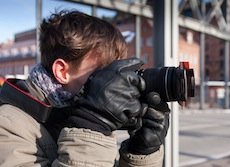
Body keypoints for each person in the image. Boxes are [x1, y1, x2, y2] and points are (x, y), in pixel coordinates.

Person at [0, 10, 170, 167]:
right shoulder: (7, 125)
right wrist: (92, 124)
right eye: (104, 72)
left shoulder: (73, 109)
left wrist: (140, 151)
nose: (113, 81)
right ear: (62, 71)